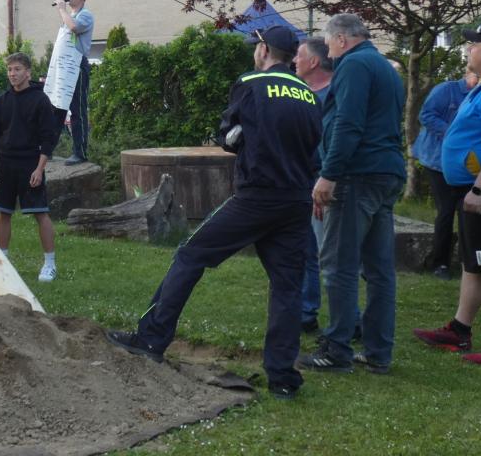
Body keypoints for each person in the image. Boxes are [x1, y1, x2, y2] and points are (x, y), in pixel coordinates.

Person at [107, 25, 322, 400]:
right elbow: (313, 146)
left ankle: (151, 338)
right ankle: (283, 377)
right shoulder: (310, 95)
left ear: (263, 50)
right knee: (287, 287)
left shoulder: (251, 83)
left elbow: (228, 136)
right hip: (295, 201)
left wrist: (242, 141)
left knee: (190, 256)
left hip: (255, 197)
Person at [298, 14, 406, 375]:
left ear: (342, 39)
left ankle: (337, 350)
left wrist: (329, 174)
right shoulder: (385, 67)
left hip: (356, 175)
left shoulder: (354, 65)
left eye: (329, 43)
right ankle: (378, 352)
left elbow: (348, 122)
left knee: (338, 265)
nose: (328, 51)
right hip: (386, 173)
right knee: (379, 270)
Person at [412, 25, 481, 365]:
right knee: (474, 264)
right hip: (467, 188)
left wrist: (479, 188)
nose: (469, 49)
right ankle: (459, 330)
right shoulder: (477, 87)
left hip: (477, 191)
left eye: (475, 44)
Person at [0, 52, 60, 282]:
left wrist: (39, 169)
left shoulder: (40, 100)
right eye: (9, 70)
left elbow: (48, 138)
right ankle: (3, 263)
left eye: (17, 69)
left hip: (30, 163)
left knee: (40, 213)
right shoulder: (1, 102)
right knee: (4, 212)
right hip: (5, 164)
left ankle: (50, 264)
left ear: (28, 72)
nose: (12, 74)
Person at [411, 69, 479, 279]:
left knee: (467, 213)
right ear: (469, 73)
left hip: (467, 167)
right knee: (446, 211)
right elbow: (426, 115)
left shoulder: (478, 95)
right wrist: (452, 132)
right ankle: (440, 264)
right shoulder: (446, 90)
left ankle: (468, 264)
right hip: (437, 161)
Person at [293, 36, 333, 333]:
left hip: (326, 182)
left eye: (299, 55)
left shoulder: (334, 96)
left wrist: (325, 181)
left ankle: (350, 322)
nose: (295, 60)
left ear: (314, 61)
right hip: (304, 180)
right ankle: (307, 313)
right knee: (306, 250)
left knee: (331, 255)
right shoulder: (302, 94)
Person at [55, 0, 93, 165]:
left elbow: (74, 27)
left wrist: (61, 10)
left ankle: (80, 152)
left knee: (78, 111)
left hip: (77, 66)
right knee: (58, 108)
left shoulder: (85, 15)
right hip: (64, 67)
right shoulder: (69, 15)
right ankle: (47, 150)